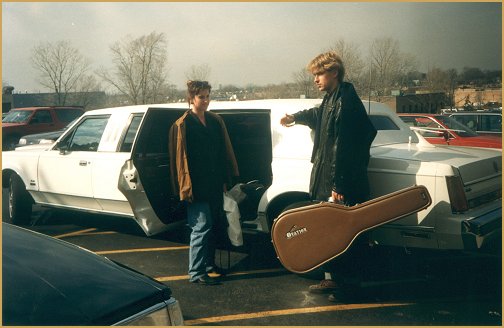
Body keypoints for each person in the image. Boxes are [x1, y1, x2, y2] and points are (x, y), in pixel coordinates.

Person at [280, 51, 377, 300]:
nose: (315, 79)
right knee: (328, 232)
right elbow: (317, 114)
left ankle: (349, 286)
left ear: (334, 72)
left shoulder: (345, 102)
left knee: (344, 234)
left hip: (340, 182)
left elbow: (345, 149)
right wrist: (295, 118)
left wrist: (339, 184)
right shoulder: (332, 99)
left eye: (319, 74)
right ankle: (332, 279)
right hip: (328, 178)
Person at [169, 80, 239, 285]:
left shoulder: (215, 121)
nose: (206, 100)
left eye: (208, 96)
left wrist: (225, 180)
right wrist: (183, 188)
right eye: (202, 97)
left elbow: (222, 152)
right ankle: (196, 272)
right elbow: (178, 161)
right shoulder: (182, 125)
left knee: (212, 225)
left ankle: (208, 265)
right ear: (191, 98)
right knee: (201, 226)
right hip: (195, 185)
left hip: (214, 183)